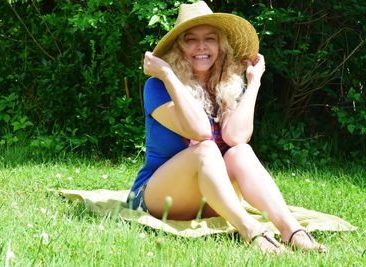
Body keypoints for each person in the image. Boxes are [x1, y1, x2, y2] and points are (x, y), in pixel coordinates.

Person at [127, 1, 327, 253]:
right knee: (207, 149)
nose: (201, 46)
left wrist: (253, 82)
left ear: (220, 46)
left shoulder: (227, 84)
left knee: (240, 152)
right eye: (191, 40)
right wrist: (167, 74)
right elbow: (200, 132)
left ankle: (291, 230)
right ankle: (251, 231)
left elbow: (236, 137)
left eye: (210, 39)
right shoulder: (158, 87)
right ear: (179, 48)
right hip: (158, 197)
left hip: (211, 199)